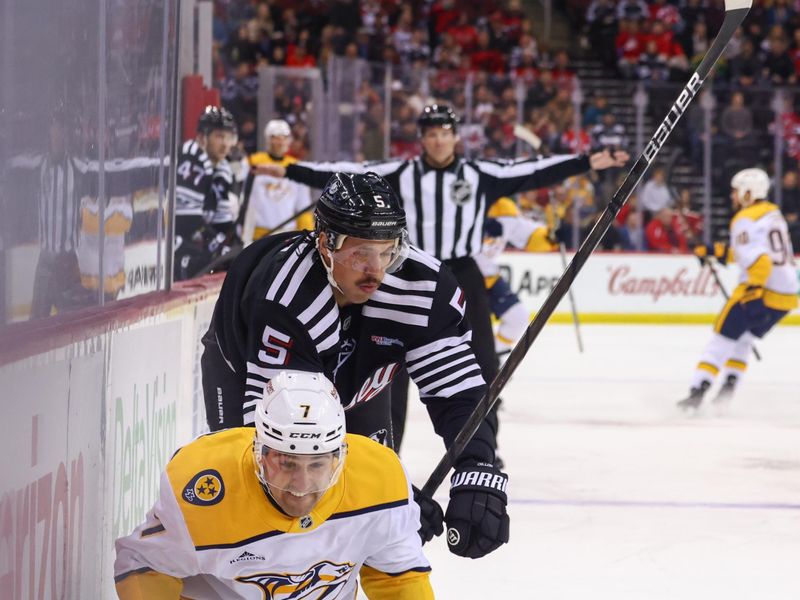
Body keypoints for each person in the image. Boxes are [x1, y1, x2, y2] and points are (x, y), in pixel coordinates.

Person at [257, 103, 628, 450]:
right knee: (388, 364)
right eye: (431, 134)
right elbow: (344, 172)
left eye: (444, 133)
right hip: (406, 273)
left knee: (483, 364)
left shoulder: (478, 174)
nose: (438, 140)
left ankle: (482, 450)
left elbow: (531, 171)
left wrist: (584, 162)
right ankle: (385, 453)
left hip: (464, 272)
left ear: (455, 137)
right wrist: (290, 170)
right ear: (422, 139)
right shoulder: (400, 173)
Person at [201, 171, 510, 558]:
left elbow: (457, 391)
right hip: (242, 371)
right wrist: (387, 494)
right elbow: (288, 441)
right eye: (361, 253)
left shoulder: (423, 287)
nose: (376, 270)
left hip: (361, 384)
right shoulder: (288, 296)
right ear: (326, 245)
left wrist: (477, 466)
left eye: (388, 251)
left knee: (375, 521)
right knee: (265, 496)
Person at [115, 370, 434, 598]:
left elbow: (397, 579)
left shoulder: (380, 480)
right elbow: (144, 565)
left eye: (318, 465)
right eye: (287, 463)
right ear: (260, 454)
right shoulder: (206, 488)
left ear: (340, 458)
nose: (302, 485)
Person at [678, 168, 798, 409]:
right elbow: (754, 254)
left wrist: (753, 295)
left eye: (736, 191)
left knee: (721, 338)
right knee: (744, 339)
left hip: (761, 291)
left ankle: (698, 390)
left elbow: (760, 261)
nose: (733, 196)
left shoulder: (744, 219)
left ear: (748, 192)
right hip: (786, 297)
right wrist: (716, 251)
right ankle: (729, 387)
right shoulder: (772, 213)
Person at [475, 197, 555, 356]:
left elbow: (529, 236)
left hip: (488, 277)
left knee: (517, 318)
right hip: (457, 277)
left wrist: (550, 236)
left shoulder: (505, 207)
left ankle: (489, 359)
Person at [174, 106, 241, 280]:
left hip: (193, 240)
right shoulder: (191, 156)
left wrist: (235, 247)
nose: (226, 143)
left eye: (229, 136)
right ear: (203, 137)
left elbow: (223, 223)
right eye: (219, 136)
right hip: (169, 243)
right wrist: (217, 246)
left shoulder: (223, 167)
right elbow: (186, 222)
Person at [239, 119, 313, 245]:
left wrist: (307, 238)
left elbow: (303, 207)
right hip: (256, 236)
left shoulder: (297, 167)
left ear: (289, 140)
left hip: (287, 237)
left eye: (283, 137)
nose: (279, 142)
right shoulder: (251, 163)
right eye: (274, 137)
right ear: (267, 139)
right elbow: (238, 197)